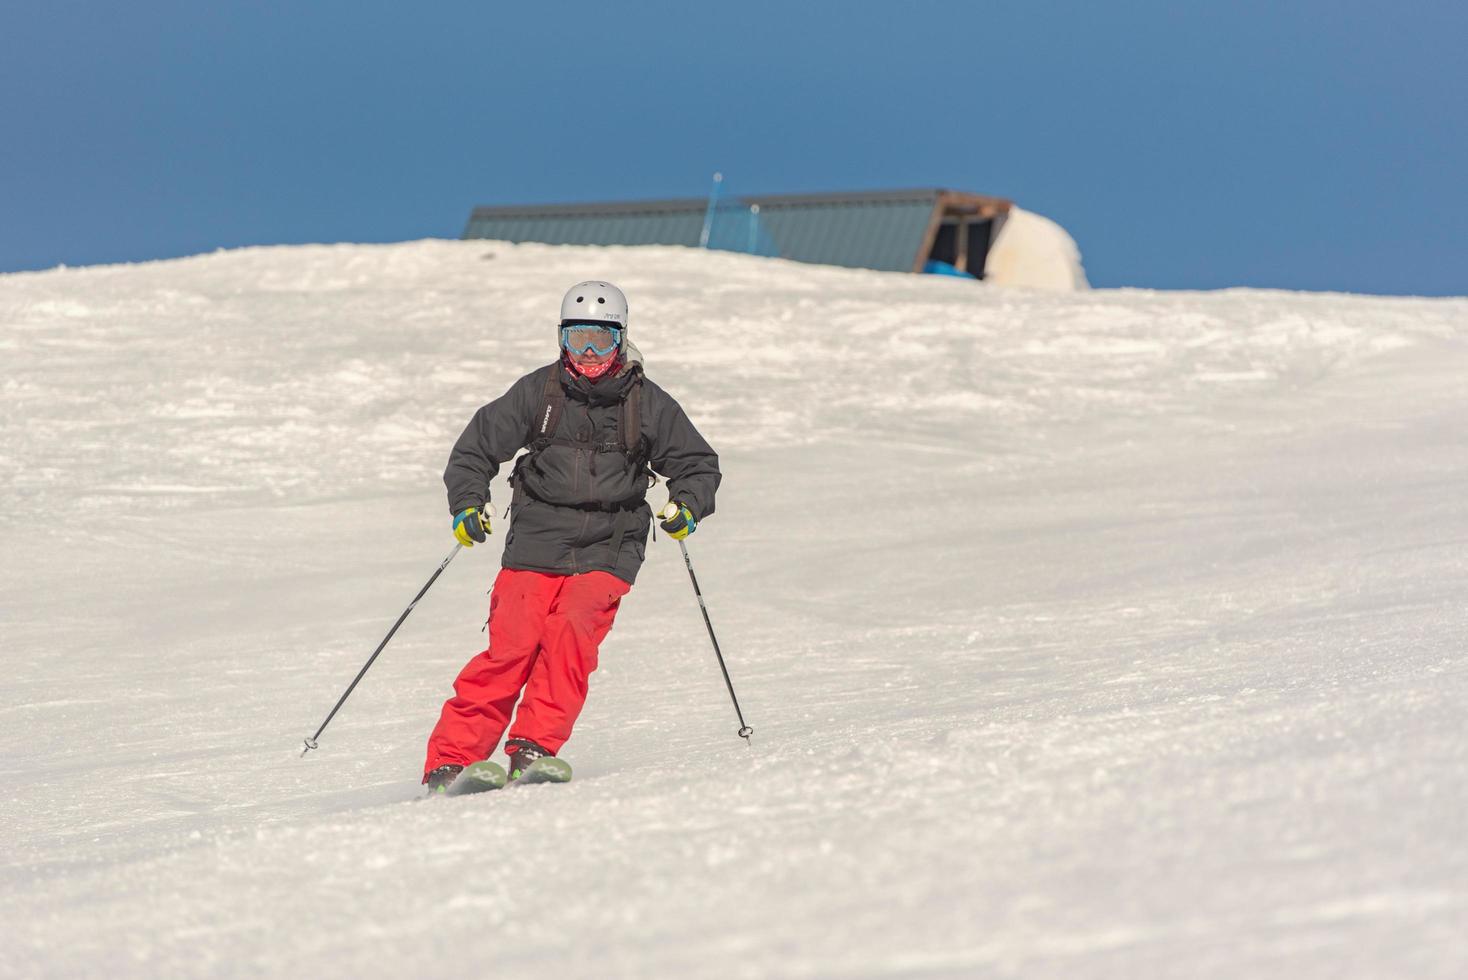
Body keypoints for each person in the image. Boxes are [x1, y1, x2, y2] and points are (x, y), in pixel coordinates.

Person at [422, 281, 720, 791]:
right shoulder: (539, 393)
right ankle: (451, 761)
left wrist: (686, 506)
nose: (588, 353)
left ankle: (533, 749)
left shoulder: (647, 403)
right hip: (537, 538)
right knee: (512, 648)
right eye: (578, 336)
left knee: (571, 641)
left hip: (611, 542)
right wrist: (468, 504)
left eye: (600, 340)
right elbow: (475, 449)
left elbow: (697, 464)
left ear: (621, 341)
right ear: (561, 338)